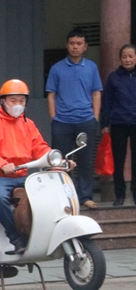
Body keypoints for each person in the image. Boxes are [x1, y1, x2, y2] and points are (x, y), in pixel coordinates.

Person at [0, 80, 54, 256]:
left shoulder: (28, 123)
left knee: (48, 191)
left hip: (23, 174)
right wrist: (2, 165)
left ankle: (39, 234)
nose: (18, 105)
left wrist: (55, 160)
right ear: (3, 101)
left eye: (22, 100)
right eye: (13, 100)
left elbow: (40, 147)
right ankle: (16, 238)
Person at [46, 28, 103, 208]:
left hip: (86, 119)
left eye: (79, 44)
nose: (75, 47)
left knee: (85, 161)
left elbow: (96, 93)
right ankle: (64, 197)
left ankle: (85, 197)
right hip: (62, 121)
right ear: (67, 45)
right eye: (72, 43)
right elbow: (51, 95)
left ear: (85, 47)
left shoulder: (92, 67)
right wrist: (54, 117)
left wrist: (95, 117)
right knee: (61, 162)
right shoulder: (57, 68)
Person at [101, 44, 136, 206]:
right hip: (118, 123)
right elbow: (106, 102)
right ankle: (120, 195)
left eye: (131, 56)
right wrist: (105, 123)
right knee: (118, 160)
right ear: (120, 59)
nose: (128, 59)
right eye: (124, 57)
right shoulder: (114, 77)